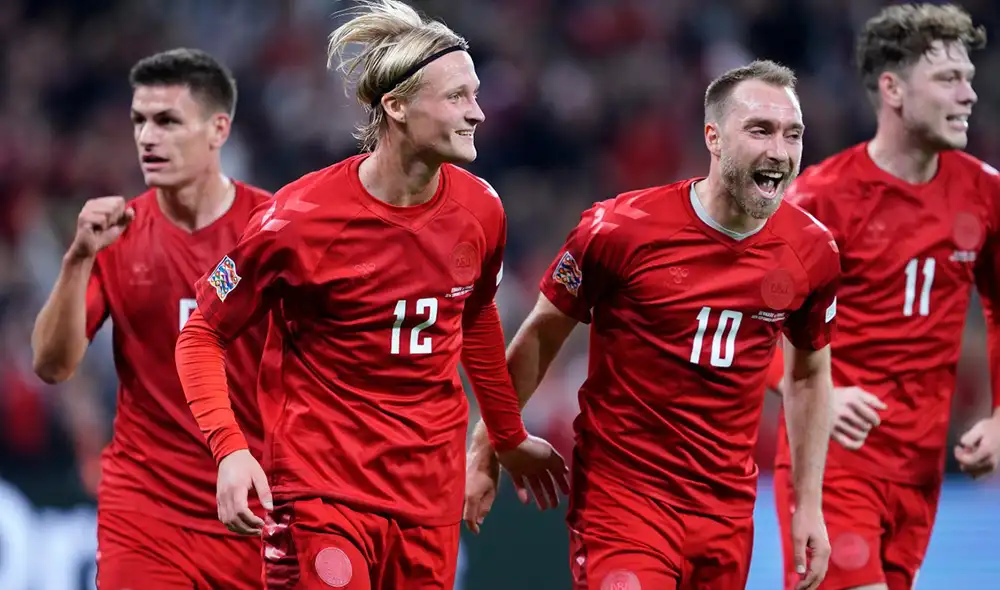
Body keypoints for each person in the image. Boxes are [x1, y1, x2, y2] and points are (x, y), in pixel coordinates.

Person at [173, 1, 568, 588]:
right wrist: (230, 450)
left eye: (476, 94)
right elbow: (202, 331)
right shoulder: (298, 219)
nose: (479, 112)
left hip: (428, 497)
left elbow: (475, 315)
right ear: (397, 106)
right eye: (458, 97)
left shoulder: (480, 209)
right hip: (321, 491)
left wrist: (506, 436)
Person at [464, 59, 840, 590]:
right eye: (760, 130)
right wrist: (487, 446)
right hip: (623, 502)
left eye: (792, 134)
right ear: (713, 136)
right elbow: (544, 332)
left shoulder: (813, 252)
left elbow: (806, 375)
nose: (779, 150)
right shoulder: (620, 229)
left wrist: (808, 506)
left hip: (726, 515)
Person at [768, 4, 1000, 589]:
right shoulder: (821, 199)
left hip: (920, 471)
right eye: (949, 79)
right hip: (832, 462)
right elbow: (745, 316)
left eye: (969, 78)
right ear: (893, 88)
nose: (969, 94)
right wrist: (820, 393)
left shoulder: (985, 194)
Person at [31, 48, 271, 588]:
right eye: (139, 121)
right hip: (146, 510)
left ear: (218, 130)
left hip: (250, 505)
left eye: (167, 121)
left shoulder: (271, 231)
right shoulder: (118, 235)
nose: (147, 137)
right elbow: (52, 365)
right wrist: (77, 261)